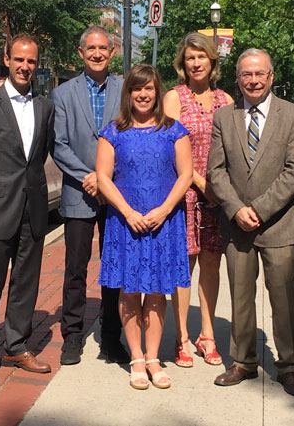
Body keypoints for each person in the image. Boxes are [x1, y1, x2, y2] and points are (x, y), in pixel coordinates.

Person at [208, 49, 294, 397]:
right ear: (237, 78)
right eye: (246, 74)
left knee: (282, 300)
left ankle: (289, 367)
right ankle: (243, 362)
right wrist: (236, 209)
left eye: (259, 74)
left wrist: (259, 210)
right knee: (240, 297)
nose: (253, 80)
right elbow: (215, 171)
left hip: (278, 225)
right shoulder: (224, 116)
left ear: (270, 75)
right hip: (237, 227)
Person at [97, 64, 192, 390]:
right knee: (129, 289)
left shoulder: (174, 130)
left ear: (157, 92)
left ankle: (153, 357)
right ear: (129, 94)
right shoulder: (113, 132)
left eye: (149, 88)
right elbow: (103, 178)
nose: (143, 94)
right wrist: (127, 211)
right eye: (137, 89)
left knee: (155, 291)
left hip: (163, 223)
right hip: (126, 223)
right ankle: (136, 357)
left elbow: (186, 175)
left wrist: (164, 210)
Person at [0, 34, 55, 384]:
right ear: (6, 59)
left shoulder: (45, 106)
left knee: (26, 282)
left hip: (33, 207)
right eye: (19, 59)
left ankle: (17, 345)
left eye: (31, 61)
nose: (25, 66)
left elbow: (41, 154)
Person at [52, 26, 128, 366]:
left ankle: (111, 337)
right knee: (76, 269)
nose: (97, 54)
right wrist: (89, 177)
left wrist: (106, 179)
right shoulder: (63, 93)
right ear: (81, 53)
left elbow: (131, 137)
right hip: (78, 194)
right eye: (91, 48)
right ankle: (72, 335)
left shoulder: (126, 89)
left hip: (115, 195)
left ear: (112, 53)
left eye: (103, 48)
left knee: (113, 268)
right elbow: (59, 145)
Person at [163, 33, 233, 368]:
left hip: (217, 199)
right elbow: (172, 152)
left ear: (212, 61)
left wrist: (222, 193)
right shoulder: (174, 98)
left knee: (210, 264)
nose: (195, 63)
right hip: (185, 195)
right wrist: (204, 186)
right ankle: (181, 338)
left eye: (201, 56)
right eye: (190, 58)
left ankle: (207, 335)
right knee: (184, 266)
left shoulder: (226, 100)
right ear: (183, 63)